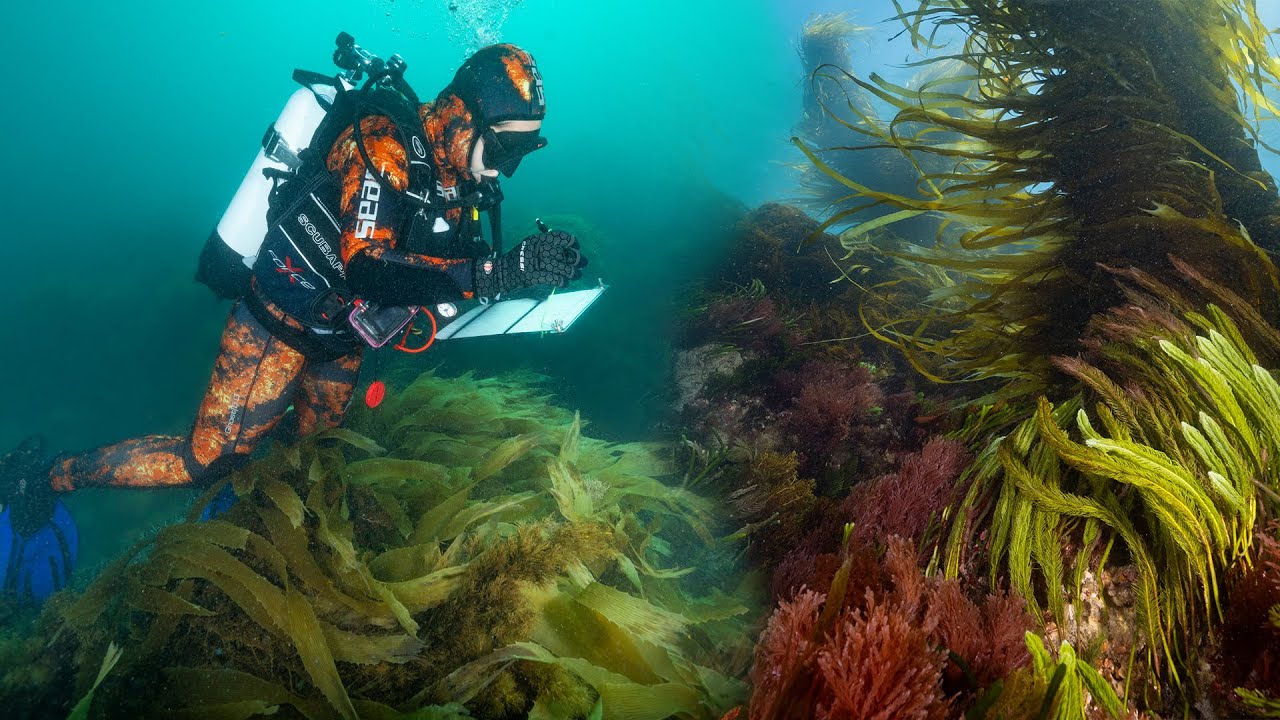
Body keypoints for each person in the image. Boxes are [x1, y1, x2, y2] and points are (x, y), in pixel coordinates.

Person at [0, 42, 586, 604]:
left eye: (521, 155)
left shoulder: (461, 180)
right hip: (280, 320)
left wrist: (528, 269)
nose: (505, 171)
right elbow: (368, 269)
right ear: (465, 121)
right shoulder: (382, 146)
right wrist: (498, 272)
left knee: (310, 451)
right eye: (505, 149)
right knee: (206, 458)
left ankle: (244, 511)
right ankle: (49, 478)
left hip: (344, 338)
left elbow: (450, 268)